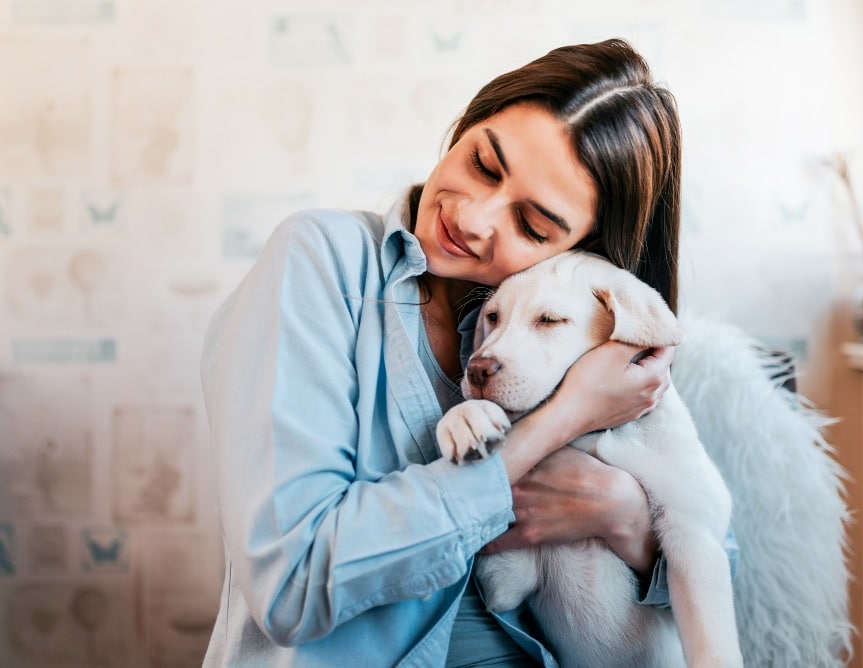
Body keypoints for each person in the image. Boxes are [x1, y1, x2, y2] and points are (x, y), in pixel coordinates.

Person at [200, 38, 736, 667]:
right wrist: (558, 424)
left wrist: (625, 519)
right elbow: (292, 583)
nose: (475, 218)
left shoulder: (587, 330)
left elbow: (718, 559)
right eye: (483, 163)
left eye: (532, 226)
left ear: (582, 251)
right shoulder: (321, 262)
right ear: (466, 125)